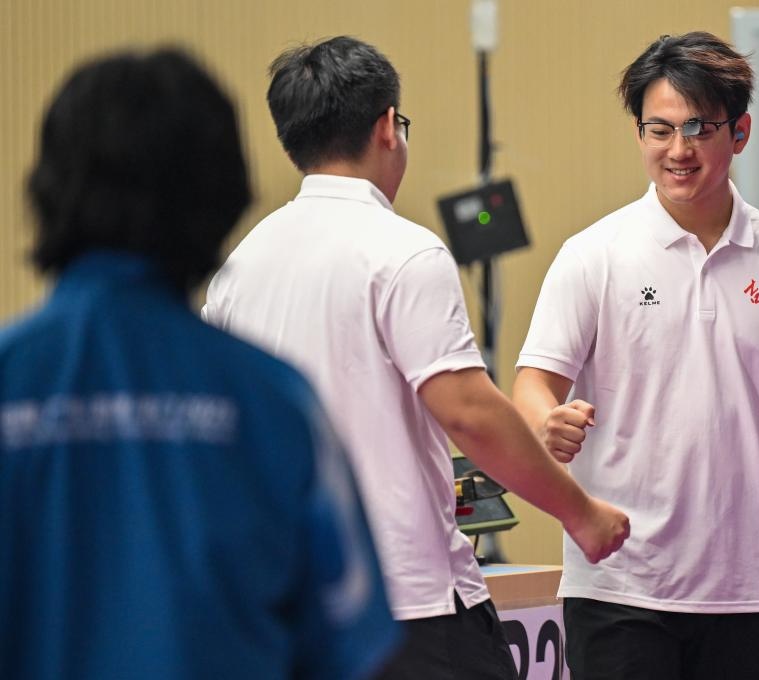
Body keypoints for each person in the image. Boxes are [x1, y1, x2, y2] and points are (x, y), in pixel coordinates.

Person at [202, 36, 630, 680]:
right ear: (387, 127)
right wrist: (581, 513)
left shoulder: (239, 268)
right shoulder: (402, 251)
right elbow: (469, 413)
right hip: (406, 606)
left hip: (289, 607)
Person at [0, 49, 397, 680]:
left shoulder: (13, 379)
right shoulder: (275, 404)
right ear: (222, 196)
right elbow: (348, 639)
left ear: (47, 189)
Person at [512, 32, 759, 679]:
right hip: (620, 585)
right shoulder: (594, 256)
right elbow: (535, 382)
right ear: (639, 133)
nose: (679, 149)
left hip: (751, 590)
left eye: (699, 128)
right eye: (660, 129)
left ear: (740, 132)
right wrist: (543, 420)